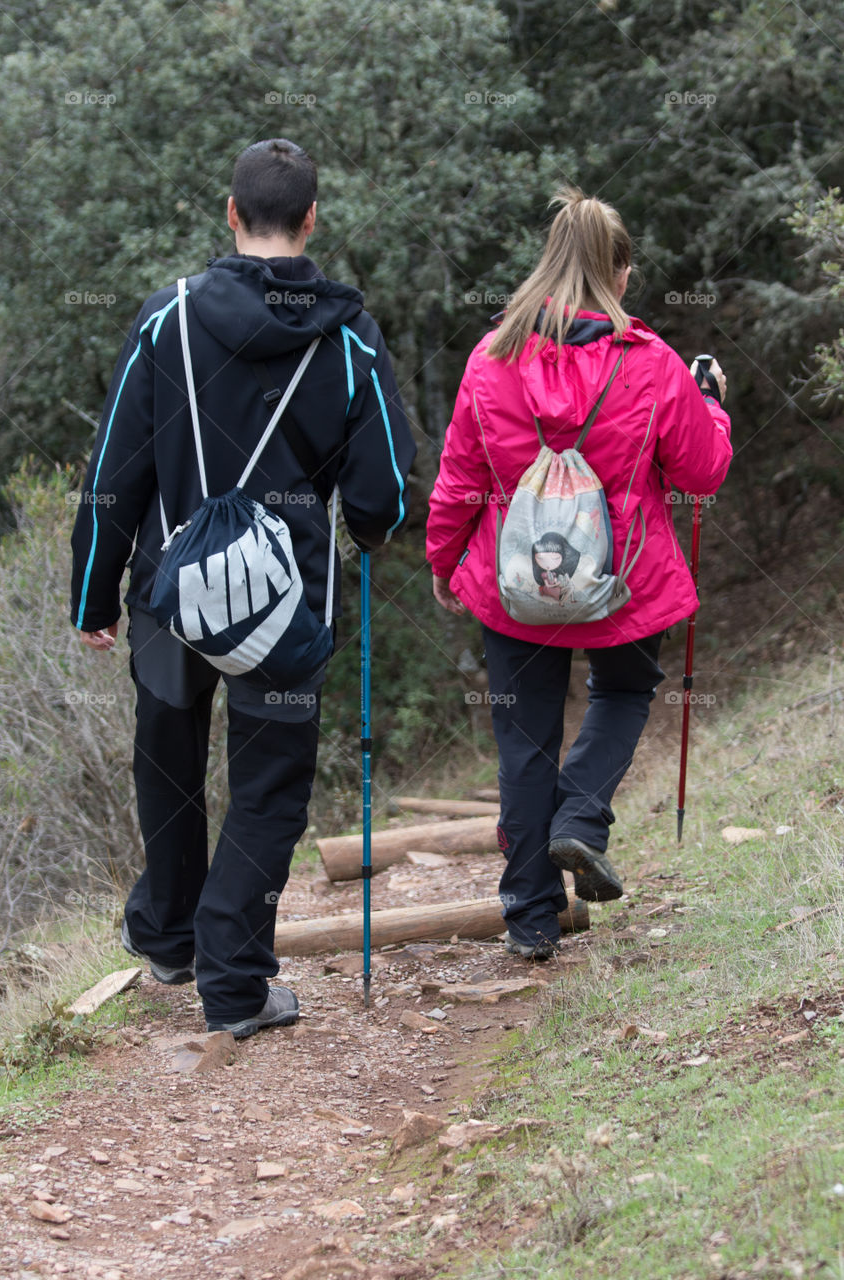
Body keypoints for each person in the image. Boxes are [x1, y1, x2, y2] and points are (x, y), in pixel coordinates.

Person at [70, 139, 416, 1035]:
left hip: (169, 593)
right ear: (311, 219)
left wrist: (94, 597)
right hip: (286, 605)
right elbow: (380, 495)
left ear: (230, 213)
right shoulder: (349, 338)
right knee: (268, 789)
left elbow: (117, 470)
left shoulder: (165, 319)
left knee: (170, 766)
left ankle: (172, 939)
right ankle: (234, 979)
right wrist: (368, 530)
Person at [426, 186, 731, 960]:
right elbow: (702, 470)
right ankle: (579, 819)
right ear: (619, 273)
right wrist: (710, 405)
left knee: (523, 742)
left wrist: (443, 557)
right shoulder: (652, 363)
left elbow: (460, 476)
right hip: (621, 582)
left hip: (515, 584)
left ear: (545, 264)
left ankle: (529, 918)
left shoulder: (490, 359)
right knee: (624, 691)